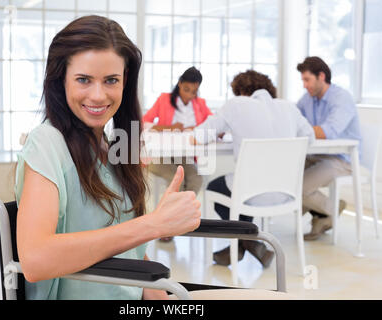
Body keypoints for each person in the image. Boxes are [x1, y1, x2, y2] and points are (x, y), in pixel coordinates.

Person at [14, 15, 201, 300]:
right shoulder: (47, 142)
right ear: (60, 80)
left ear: (125, 82)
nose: (98, 95)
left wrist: (160, 298)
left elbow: (129, 248)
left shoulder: (114, 145)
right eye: (83, 80)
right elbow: (36, 260)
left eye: (111, 80)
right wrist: (154, 224)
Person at [191, 70, 315, 267]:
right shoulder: (289, 108)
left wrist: (223, 130)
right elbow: (310, 138)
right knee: (238, 187)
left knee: (216, 187)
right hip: (286, 193)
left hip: (251, 194)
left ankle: (248, 241)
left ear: (241, 91)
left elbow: (199, 136)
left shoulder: (237, 105)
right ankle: (247, 244)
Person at [143, 67, 212, 241]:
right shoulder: (164, 99)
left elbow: (212, 124)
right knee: (178, 181)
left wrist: (197, 130)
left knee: (196, 178)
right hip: (159, 156)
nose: (190, 95)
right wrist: (172, 127)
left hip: (183, 155)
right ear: (180, 84)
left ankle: (176, 221)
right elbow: (144, 123)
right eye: (186, 89)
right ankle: (168, 227)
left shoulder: (200, 104)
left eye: (194, 91)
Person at [296, 56, 362, 241]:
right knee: (285, 177)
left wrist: (298, 127)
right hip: (318, 155)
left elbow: (327, 132)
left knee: (299, 188)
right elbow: (294, 119)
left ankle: (331, 208)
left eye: (307, 79)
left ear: (321, 76)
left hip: (343, 159)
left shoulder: (341, 98)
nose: (304, 85)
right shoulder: (307, 99)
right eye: (303, 80)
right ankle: (322, 215)